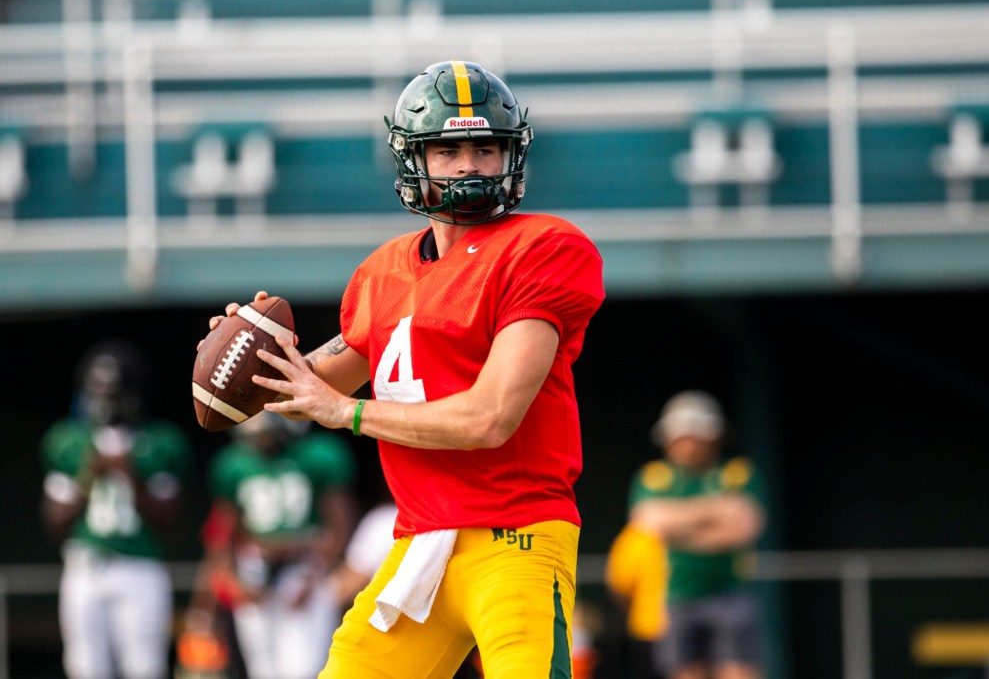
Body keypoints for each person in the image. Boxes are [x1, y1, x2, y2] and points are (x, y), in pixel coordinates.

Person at [202, 60, 605, 678]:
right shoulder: (384, 271)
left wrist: (347, 412)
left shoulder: (542, 248)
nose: (470, 166)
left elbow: (490, 418)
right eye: (449, 150)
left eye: (485, 148)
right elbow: (306, 391)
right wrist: (251, 356)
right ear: (415, 159)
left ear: (510, 156)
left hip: (516, 537)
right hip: (421, 543)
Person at [40, 339, 193, 679]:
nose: (104, 400)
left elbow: (170, 522)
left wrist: (131, 475)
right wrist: (89, 475)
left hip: (141, 566)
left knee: (144, 667)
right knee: (85, 667)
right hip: (85, 566)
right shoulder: (68, 440)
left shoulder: (159, 442)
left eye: (113, 391)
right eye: (97, 390)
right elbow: (54, 522)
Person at [611, 390, 768, 679]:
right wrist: (716, 511)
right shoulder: (654, 477)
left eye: (694, 437)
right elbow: (647, 521)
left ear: (713, 436)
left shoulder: (737, 473)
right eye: (680, 438)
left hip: (729, 592)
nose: (687, 446)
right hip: (675, 596)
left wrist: (677, 530)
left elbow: (743, 529)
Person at [201, 411, 359, 679]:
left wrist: (316, 573)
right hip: (255, 568)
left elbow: (340, 524)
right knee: (262, 669)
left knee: (304, 668)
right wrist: (232, 579)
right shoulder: (235, 464)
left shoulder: (315, 456)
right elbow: (222, 531)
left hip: (304, 565)